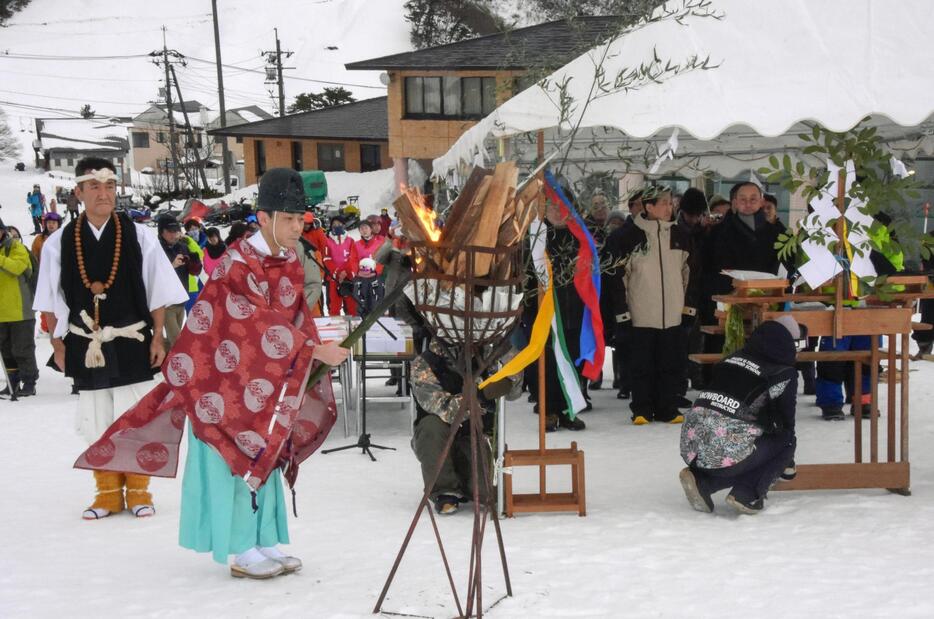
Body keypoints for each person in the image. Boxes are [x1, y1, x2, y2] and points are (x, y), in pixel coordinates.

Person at [76, 167, 348, 578]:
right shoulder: (236, 265)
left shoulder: (289, 258)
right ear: (264, 218)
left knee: (267, 451)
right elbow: (251, 325)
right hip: (219, 384)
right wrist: (311, 350)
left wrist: (309, 350)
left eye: (300, 219)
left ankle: (264, 538)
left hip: (263, 380)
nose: (297, 228)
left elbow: (293, 317)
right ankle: (241, 548)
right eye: (289, 219)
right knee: (233, 457)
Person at [34, 157, 188, 519]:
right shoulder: (59, 242)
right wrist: (57, 343)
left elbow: (157, 290)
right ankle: (106, 493)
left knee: (136, 416)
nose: (103, 194)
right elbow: (51, 299)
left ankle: (138, 491)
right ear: (79, 193)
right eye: (94, 187)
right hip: (86, 344)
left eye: (109, 187)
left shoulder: (139, 235)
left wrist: (158, 338)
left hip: (132, 338)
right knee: (96, 420)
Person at [679, 317, 800, 515]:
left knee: (746, 447)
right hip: (726, 450)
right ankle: (747, 494)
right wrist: (785, 462)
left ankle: (703, 483)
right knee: (785, 441)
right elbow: (786, 424)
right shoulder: (783, 373)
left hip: (691, 445)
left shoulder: (731, 358)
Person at [606, 185, 699, 425]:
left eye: (671, 203)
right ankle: (642, 408)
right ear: (649, 206)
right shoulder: (628, 237)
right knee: (641, 364)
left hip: (673, 314)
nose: (670, 207)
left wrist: (689, 308)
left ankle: (667, 407)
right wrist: (622, 313)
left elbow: (690, 274)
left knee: (671, 363)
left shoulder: (680, 235)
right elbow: (618, 278)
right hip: (641, 313)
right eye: (665, 203)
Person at [411, 340, 519, 514]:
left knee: (490, 494)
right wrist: (482, 396)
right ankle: (444, 490)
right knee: (431, 426)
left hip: (479, 433)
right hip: (441, 436)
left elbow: (515, 391)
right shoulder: (427, 362)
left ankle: (464, 481)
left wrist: (508, 367)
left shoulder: (491, 352)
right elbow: (442, 407)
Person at [0, 219, 39, 397]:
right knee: (6, 350)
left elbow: (16, 267)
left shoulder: (16, 247)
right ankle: (12, 381)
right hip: (2, 313)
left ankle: (29, 382)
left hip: (20, 310)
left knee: (22, 348)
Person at [157, 215, 202, 350]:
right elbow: (153, 275)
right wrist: (172, 265)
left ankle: (158, 354)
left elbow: (195, 272)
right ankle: (179, 366)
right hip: (166, 303)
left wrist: (194, 259)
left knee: (175, 340)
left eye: (176, 231)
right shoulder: (155, 249)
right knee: (177, 341)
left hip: (181, 299)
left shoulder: (182, 246)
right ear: (161, 232)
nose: (174, 234)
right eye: (170, 231)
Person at [323, 215, 357, 316]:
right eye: (334, 224)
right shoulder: (327, 241)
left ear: (343, 225)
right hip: (334, 278)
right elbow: (326, 259)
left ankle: (353, 328)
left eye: (339, 224)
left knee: (351, 305)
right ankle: (335, 328)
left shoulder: (350, 241)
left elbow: (353, 258)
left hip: (348, 278)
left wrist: (346, 272)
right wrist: (337, 272)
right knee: (334, 306)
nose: (337, 226)